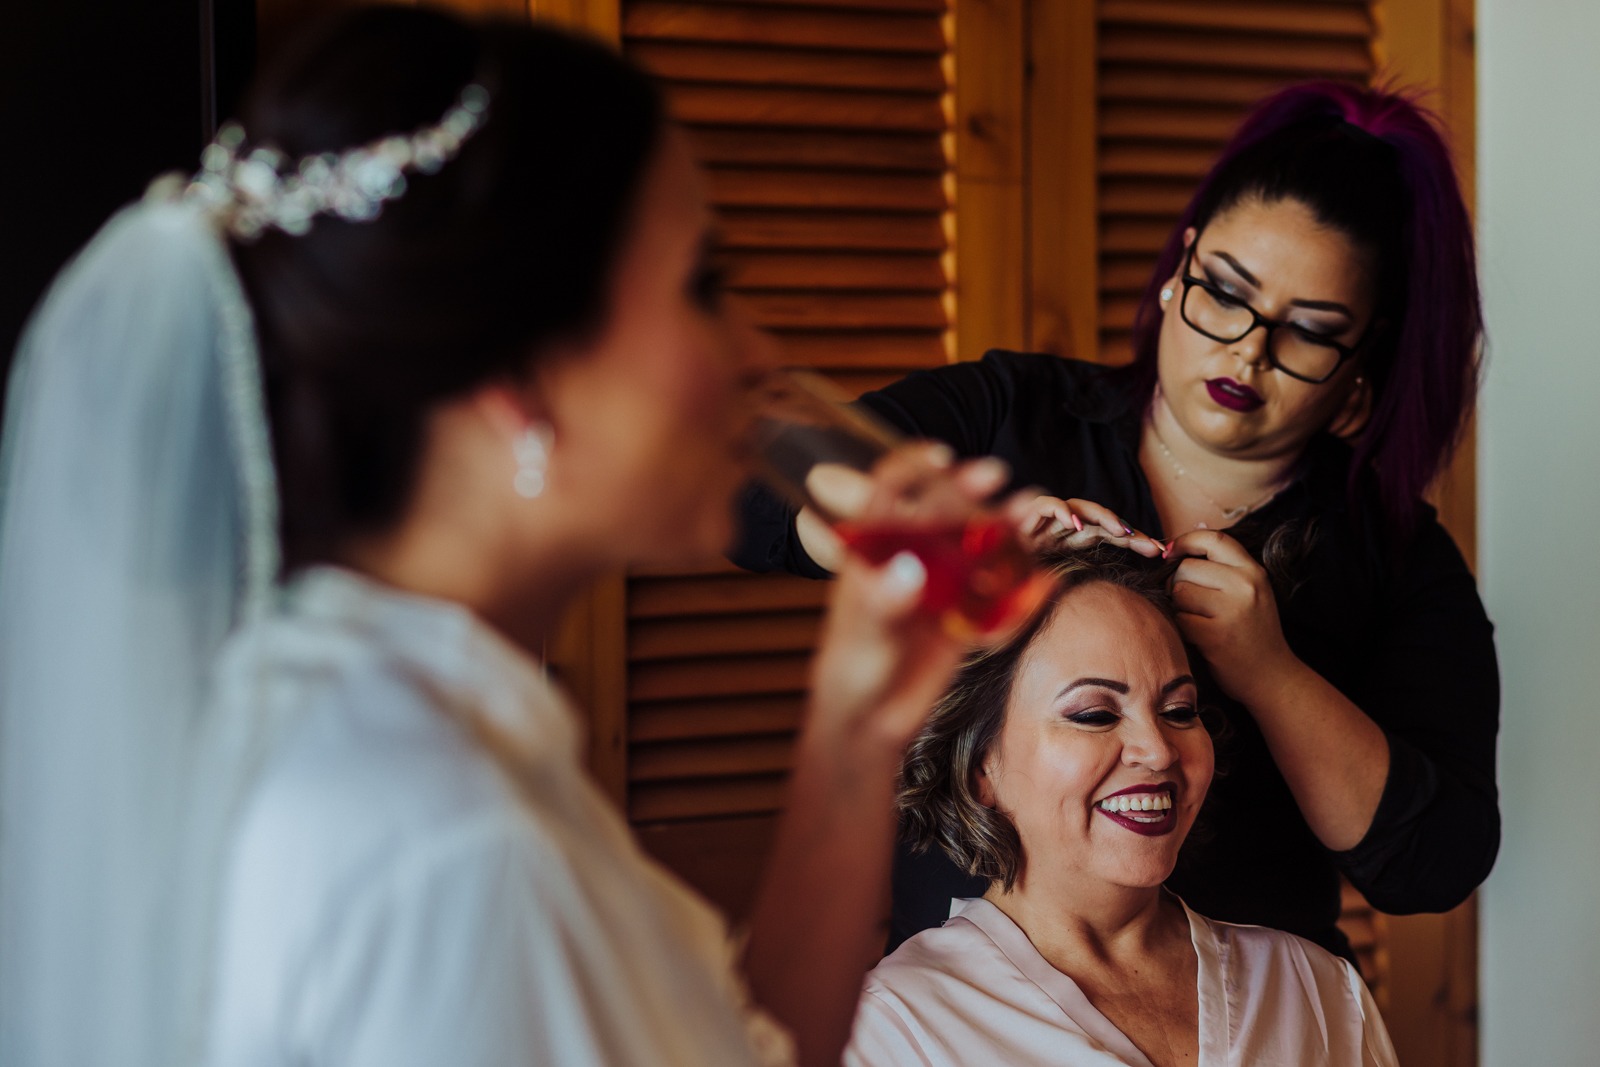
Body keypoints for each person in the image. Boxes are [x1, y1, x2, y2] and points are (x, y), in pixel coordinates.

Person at [0, 9, 999, 1067]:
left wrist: (853, 729)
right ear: (518, 380)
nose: (756, 349)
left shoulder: (357, 712)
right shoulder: (452, 843)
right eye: (704, 285)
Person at [735, 81, 1499, 960]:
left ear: (1363, 365)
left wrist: (1273, 675)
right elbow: (748, 486)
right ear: (1179, 270)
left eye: (1310, 331)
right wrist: (951, 541)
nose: (1248, 349)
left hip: (1250, 1020)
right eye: (1226, 291)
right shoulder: (1010, 413)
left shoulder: (1395, 555)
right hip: (976, 1013)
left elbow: (1438, 862)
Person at [844, 547, 1398, 1067]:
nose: (1159, 750)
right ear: (978, 769)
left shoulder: (1318, 990)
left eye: (1179, 710)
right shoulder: (894, 1028)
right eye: (1094, 715)